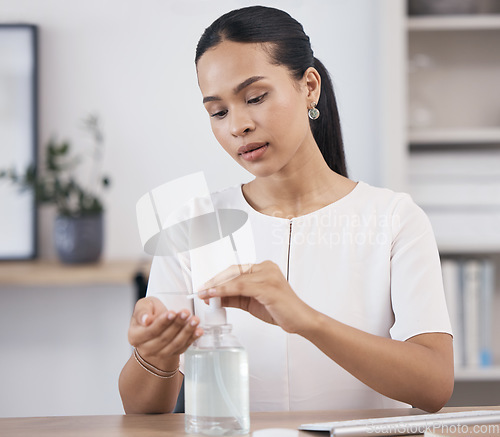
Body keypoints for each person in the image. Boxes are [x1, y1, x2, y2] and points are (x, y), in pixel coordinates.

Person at [119, 5, 454, 414]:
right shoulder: (193, 226)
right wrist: (154, 353)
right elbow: (141, 412)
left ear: (308, 86)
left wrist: (304, 319)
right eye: (218, 112)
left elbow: (434, 384)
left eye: (255, 97)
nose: (237, 125)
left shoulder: (394, 219)